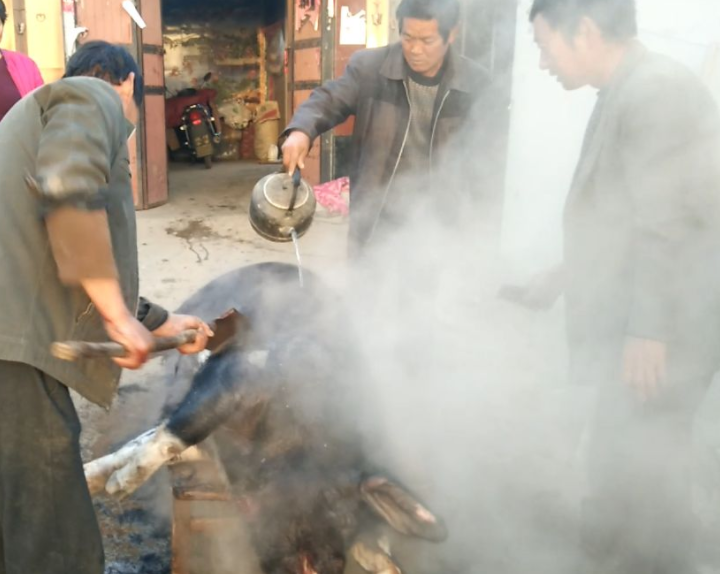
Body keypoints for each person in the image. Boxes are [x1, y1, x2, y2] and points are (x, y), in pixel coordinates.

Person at [0, 41, 214, 574]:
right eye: (135, 99)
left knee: (21, 545)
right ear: (123, 83)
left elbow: (63, 260)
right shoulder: (90, 95)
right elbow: (68, 185)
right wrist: (121, 321)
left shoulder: (25, 128)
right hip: (7, 373)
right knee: (61, 555)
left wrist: (155, 320)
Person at [510, 1, 720, 572]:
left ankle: (654, 558)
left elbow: (666, 224)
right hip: (632, 323)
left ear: (584, 30)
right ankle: (608, 551)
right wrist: (562, 276)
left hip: (665, 333)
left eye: (544, 43)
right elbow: (620, 218)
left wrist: (649, 330)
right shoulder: (623, 90)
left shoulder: (657, 93)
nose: (541, 60)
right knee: (615, 457)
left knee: (645, 471)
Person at [281, 0, 493, 255]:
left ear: (452, 34)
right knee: (370, 290)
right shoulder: (370, 68)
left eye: (427, 41)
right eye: (407, 37)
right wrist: (301, 130)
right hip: (376, 218)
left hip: (438, 224)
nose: (414, 49)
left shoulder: (475, 84)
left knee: (433, 293)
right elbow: (329, 98)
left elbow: (487, 157)